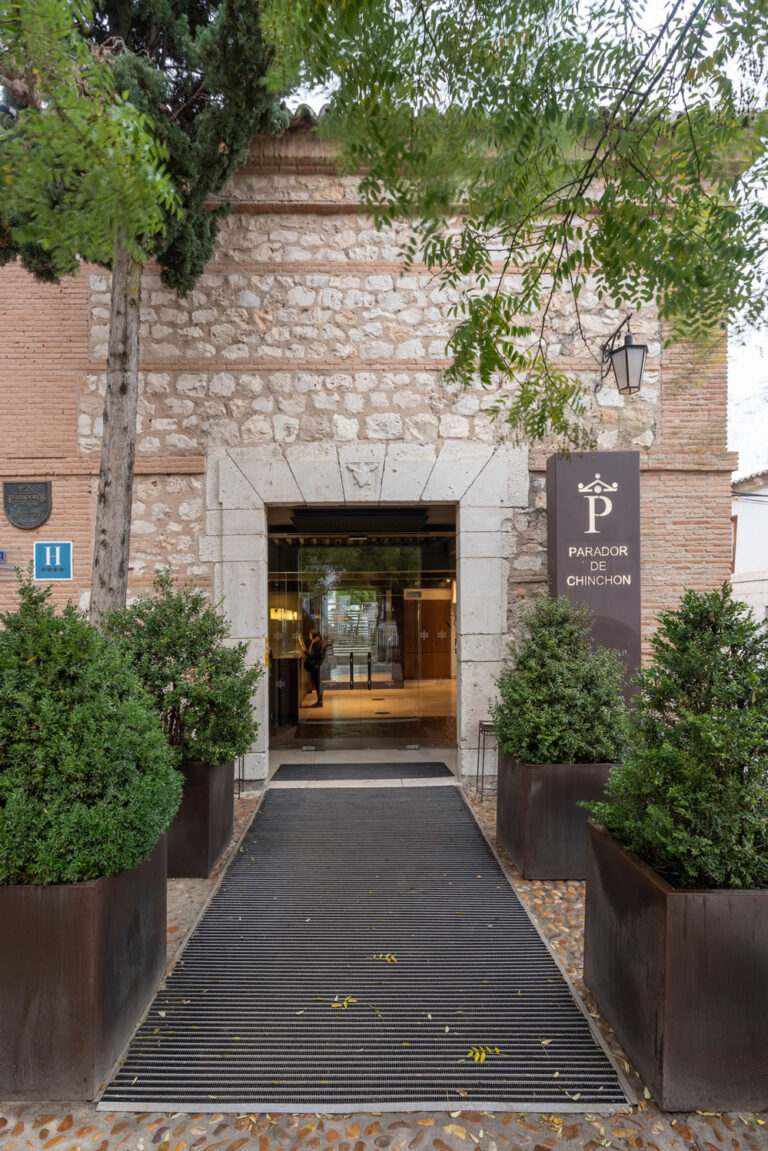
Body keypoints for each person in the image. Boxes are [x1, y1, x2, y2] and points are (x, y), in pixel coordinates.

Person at [304, 629, 326, 707]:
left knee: (318, 684)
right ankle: (319, 701)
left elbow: (312, 655)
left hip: (316, 666)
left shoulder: (316, 643)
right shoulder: (318, 642)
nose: (309, 637)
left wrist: (304, 651)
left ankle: (319, 701)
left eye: (310, 635)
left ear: (314, 636)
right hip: (318, 666)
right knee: (318, 684)